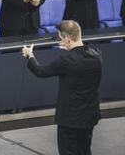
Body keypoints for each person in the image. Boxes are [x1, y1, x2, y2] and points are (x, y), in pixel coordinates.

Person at [22, 20, 102, 155]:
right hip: (89, 117)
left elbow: (41, 71)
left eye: (61, 38)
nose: (61, 41)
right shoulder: (97, 55)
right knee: (84, 150)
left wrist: (30, 56)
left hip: (69, 120)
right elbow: (82, 52)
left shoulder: (65, 61)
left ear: (68, 39)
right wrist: (71, 48)